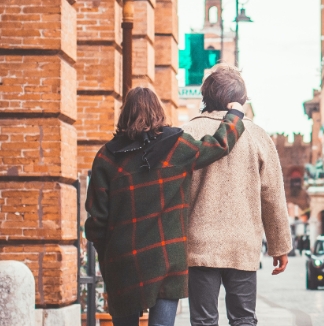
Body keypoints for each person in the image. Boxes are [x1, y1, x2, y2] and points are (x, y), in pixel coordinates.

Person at [85, 87, 246, 326]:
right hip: (166, 257)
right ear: (158, 112)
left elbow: (96, 221)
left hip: (122, 260)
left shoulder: (107, 157)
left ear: (125, 114)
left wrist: (108, 255)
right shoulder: (176, 147)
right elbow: (218, 145)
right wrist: (235, 115)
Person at [182, 66, 293, 326]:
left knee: (203, 321)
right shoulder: (257, 136)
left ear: (206, 96)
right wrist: (279, 246)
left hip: (199, 244)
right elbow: (272, 195)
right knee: (243, 319)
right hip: (242, 243)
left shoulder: (186, 133)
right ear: (240, 99)